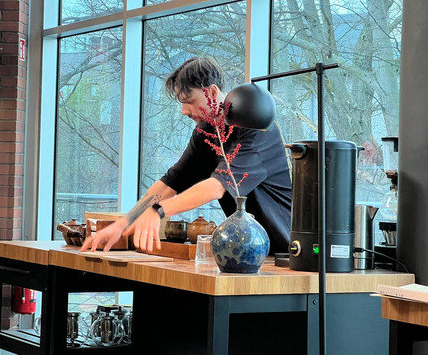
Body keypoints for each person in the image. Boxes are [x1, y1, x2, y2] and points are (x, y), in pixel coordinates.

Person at [80, 56, 292, 254]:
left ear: (212, 91)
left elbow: (216, 187)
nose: (184, 111)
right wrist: (122, 225)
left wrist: (159, 210)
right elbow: (170, 183)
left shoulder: (255, 127)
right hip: (251, 249)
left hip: (284, 252)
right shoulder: (206, 132)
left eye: (189, 101)